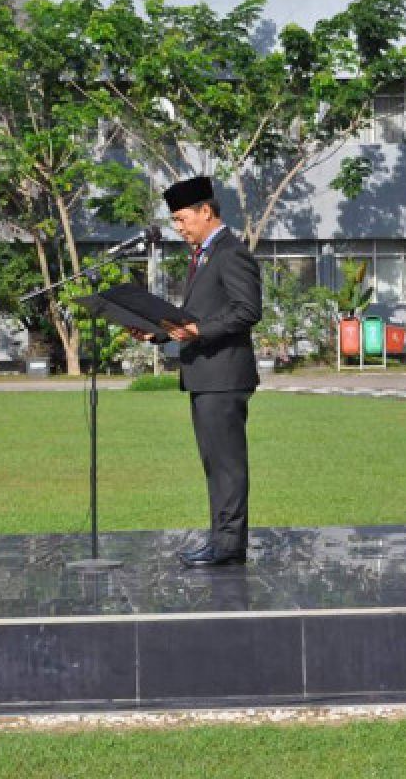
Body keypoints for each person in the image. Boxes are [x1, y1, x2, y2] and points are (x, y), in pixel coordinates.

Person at [135, 176, 262, 568]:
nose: (178, 227)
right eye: (173, 221)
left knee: (226, 464)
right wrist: (159, 334)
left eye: (181, 219)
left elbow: (247, 311)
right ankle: (222, 539)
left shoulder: (230, 253)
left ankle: (228, 545)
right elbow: (199, 315)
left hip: (224, 377)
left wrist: (198, 331)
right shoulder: (205, 254)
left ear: (206, 212)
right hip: (206, 376)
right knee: (215, 463)